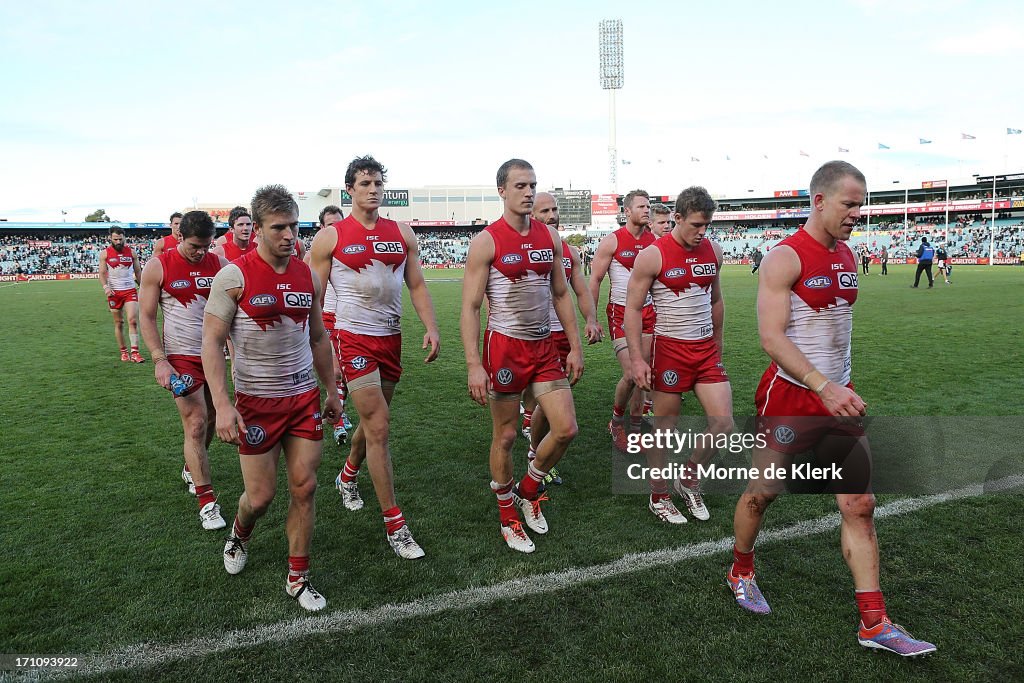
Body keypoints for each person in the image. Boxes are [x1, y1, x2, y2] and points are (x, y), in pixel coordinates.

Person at [728, 161, 936, 657]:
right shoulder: (784, 257)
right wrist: (822, 386)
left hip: (839, 395)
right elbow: (771, 338)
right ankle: (740, 568)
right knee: (762, 495)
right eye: (849, 204)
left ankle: (874, 621)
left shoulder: (847, 254)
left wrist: (837, 386)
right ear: (819, 200)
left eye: (861, 205)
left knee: (859, 505)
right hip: (792, 398)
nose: (857, 214)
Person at [202, 184, 341, 612]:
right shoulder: (234, 276)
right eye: (278, 227)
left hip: (301, 399)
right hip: (256, 402)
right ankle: (240, 532)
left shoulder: (306, 274)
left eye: (294, 226)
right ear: (256, 230)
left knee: (305, 487)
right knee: (259, 498)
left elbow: (318, 336)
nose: (289, 235)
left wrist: (332, 388)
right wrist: (222, 405)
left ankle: (298, 577)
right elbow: (211, 342)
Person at [307, 155, 440, 559]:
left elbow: (416, 285)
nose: (373, 189)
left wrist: (431, 327)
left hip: (391, 339)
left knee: (373, 422)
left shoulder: (402, 233)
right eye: (365, 183)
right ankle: (395, 524)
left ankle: (347, 475)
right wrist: (312, 341)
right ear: (350, 189)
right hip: (353, 339)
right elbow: (314, 296)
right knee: (379, 426)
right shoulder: (331, 237)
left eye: (378, 182)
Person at [461, 159, 582, 554]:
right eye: (520, 186)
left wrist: (575, 346)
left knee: (565, 429)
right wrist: (473, 364)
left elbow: (561, 294)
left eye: (532, 185)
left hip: (544, 346)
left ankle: (528, 490)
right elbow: (470, 307)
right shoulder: (487, 241)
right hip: (505, 349)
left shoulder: (550, 237)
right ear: (502, 190)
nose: (528, 192)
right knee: (507, 435)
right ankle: (508, 517)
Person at [627, 186, 732, 524]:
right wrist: (638, 359)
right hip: (670, 350)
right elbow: (632, 308)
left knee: (724, 424)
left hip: (705, 352)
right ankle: (658, 496)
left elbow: (716, 300)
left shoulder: (712, 251)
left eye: (707, 225)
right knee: (665, 429)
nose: (702, 232)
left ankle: (688, 478)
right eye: (696, 225)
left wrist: (717, 344)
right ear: (678, 217)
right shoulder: (653, 255)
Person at [139, 210, 228, 529]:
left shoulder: (220, 264)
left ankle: (192, 468)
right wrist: (159, 359)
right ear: (178, 237)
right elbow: (147, 316)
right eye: (195, 246)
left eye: (207, 245)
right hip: (180, 357)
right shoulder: (158, 266)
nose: (201, 252)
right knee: (196, 421)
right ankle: (207, 502)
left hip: (215, 355)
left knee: (214, 421)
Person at [521, 192, 602, 487]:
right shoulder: (520, 246)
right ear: (531, 213)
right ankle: (535, 454)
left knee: (552, 398)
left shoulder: (570, 252)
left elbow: (580, 291)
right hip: (529, 336)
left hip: (562, 335)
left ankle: (534, 446)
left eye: (555, 209)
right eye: (545, 210)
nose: (552, 214)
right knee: (544, 400)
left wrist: (591, 320)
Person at [589, 190, 656, 450]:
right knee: (631, 373)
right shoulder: (612, 242)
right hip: (620, 311)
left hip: (649, 312)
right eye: (641, 206)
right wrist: (592, 318)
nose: (646, 210)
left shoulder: (655, 242)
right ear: (627, 211)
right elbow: (594, 280)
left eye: (648, 206)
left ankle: (636, 427)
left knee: (645, 373)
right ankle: (617, 422)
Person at [305, 205, 354, 446]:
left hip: (349, 317)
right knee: (334, 371)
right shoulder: (313, 254)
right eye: (330, 225)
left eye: (339, 223)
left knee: (345, 371)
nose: (336, 229)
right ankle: (338, 422)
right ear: (322, 228)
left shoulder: (351, 249)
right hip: (325, 317)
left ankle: (337, 408)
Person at [99, 226, 145, 363]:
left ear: (124, 237)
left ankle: (135, 353)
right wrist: (106, 287)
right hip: (114, 293)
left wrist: (142, 286)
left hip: (130, 290)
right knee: (119, 322)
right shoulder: (105, 254)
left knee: (133, 320)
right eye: (115, 239)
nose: (118, 242)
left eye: (120, 239)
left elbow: (138, 272)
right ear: (110, 238)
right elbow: (102, 273)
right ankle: (123, 351)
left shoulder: (132, 252)